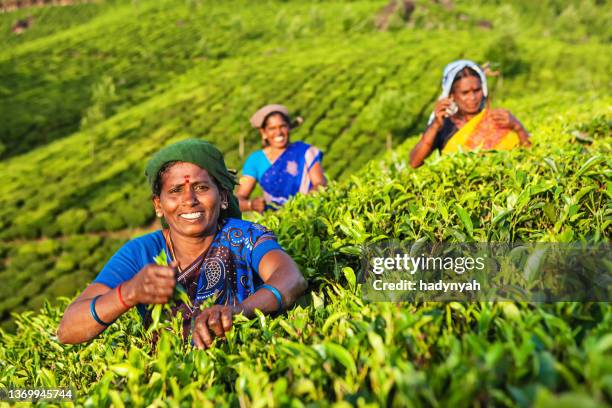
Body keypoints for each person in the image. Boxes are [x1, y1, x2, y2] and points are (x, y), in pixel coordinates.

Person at [57, 139, 307, 349]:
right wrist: (128, 293)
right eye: (175, 191)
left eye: (201, 187)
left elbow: (290, 278)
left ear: (222, 197)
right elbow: (68, 330)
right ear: (158, 205)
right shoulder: (141, 252)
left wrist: (238, 311)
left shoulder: (243, 235)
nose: (189, 200)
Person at [410, 60, 531, 168]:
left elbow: (529, 154)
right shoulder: (445, 126)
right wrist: (435, 126)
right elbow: (415, 162)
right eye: (465, 93)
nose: (472, 98)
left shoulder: (497, 118)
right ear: (452, 95)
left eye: (476, 90)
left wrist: (517, 127)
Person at [236, 104, 327, 212]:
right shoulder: (255, 160)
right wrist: (251, 205)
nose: (278, 132)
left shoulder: (305, 152)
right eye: (272, 128)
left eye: (282, 126)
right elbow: (238, 199)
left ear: (288, 127)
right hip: (275, 221)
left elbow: (320, 183)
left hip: (307, 213)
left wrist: (301, 205)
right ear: (263, 132)